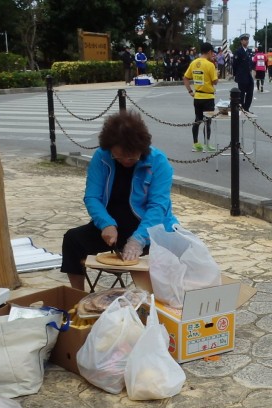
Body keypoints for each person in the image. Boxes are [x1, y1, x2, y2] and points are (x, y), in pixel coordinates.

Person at [61, 111, 179, 290]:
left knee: (178, 249)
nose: (125, 161)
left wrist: (138, 239)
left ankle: (160, 301)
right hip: (112, 228)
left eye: (132, 157)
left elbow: (158, 207)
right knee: (72, 239)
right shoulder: (102, 157)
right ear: (110, 149)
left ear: (142, 149)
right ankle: (77, 295)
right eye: (119, 156)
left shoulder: (158, 162)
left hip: (150, 228)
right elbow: (92, 197)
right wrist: (105, 223)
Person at [183, 42, 218, 153]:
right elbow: (215, 82)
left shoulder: (194, 62)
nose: (212, 54)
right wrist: (216, 72)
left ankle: (195, 144)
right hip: (208, 97)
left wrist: (190, 91)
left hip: (197, 96)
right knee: (208, 122)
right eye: (212, 52)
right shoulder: (210, 65)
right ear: (208, 52)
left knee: (197, 120)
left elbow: (185, 78)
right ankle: (206, 144)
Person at [232, 33, 255, 112]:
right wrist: (235, 75)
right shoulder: (238, 51)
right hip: (241, 75)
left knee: (250, 92)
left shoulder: (249, 51)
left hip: (248, 75)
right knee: (241, 93)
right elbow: (234, 64)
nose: (246, 41)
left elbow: (251, 62)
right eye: (245, 40)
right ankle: (241, 108)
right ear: (241, 41)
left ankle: (246, 108)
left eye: (247, 40)